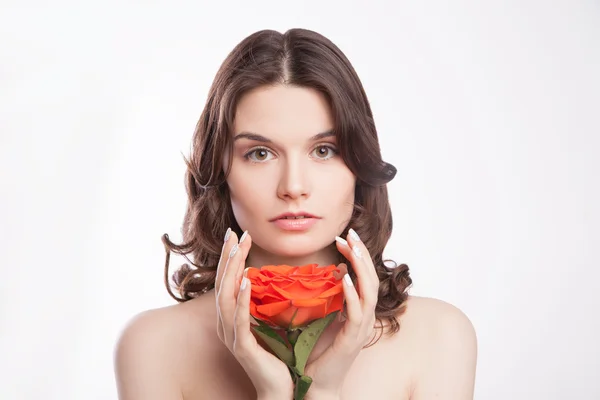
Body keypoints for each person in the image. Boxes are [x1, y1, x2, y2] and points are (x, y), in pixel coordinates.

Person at [114, 28, 477, 400]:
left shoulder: (438, 337)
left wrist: (325, 391)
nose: (293, 186)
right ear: (220, 171)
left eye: (324, 151)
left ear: (358, 166)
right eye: (259, 153)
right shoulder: (154, 346)